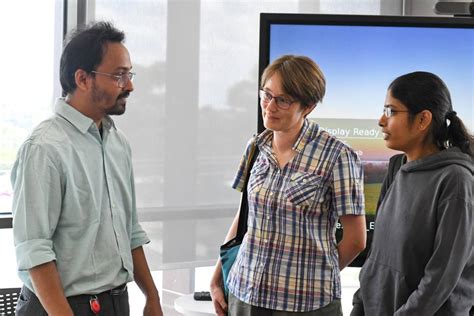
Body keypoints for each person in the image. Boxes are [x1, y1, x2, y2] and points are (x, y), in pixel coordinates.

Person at [11, 22, 163, 316]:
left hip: (115, 302)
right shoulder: (44, 148)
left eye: (129, 74)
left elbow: (130, 231)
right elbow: (35, 251)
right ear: (82, 78)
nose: (129, 85)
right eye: (119, 76)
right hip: (60, 307)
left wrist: (152, 297)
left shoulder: (118, 143)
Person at [210, 55, 367, 315]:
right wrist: (218, 276)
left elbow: (356, 240)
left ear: (308, 106)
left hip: (306, 304)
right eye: (266, 95)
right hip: (245, 293)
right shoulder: (255, 147)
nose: (269, 106)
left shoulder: (337, 155)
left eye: (283, 100)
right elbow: (244, 217)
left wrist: (312, 277)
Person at [353, 71, 473, 315]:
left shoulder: (456, 180)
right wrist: (359, 304)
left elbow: (441, 279)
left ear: (422, 120)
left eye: (391, 111)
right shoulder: (397, 167)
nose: (381, 120)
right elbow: (376, 255)